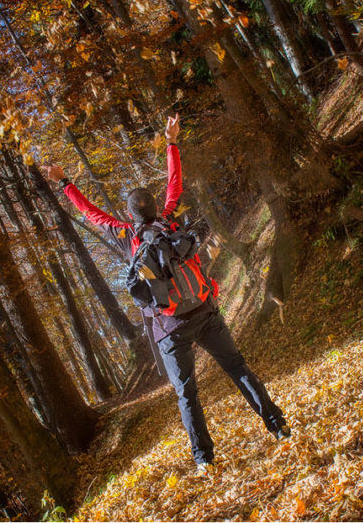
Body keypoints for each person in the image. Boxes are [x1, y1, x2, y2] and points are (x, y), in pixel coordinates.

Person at [44, 114, 289, 475]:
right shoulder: (170, 220)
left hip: (170, 327)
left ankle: (204, 458)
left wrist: (64, 181)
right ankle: (277, 425)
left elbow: (91, 214)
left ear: (129, 214)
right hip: (204, 310)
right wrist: (171, 141)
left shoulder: (126, 233)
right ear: (155, 208)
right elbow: (175, 185)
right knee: (238, 369)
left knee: (186, 394)